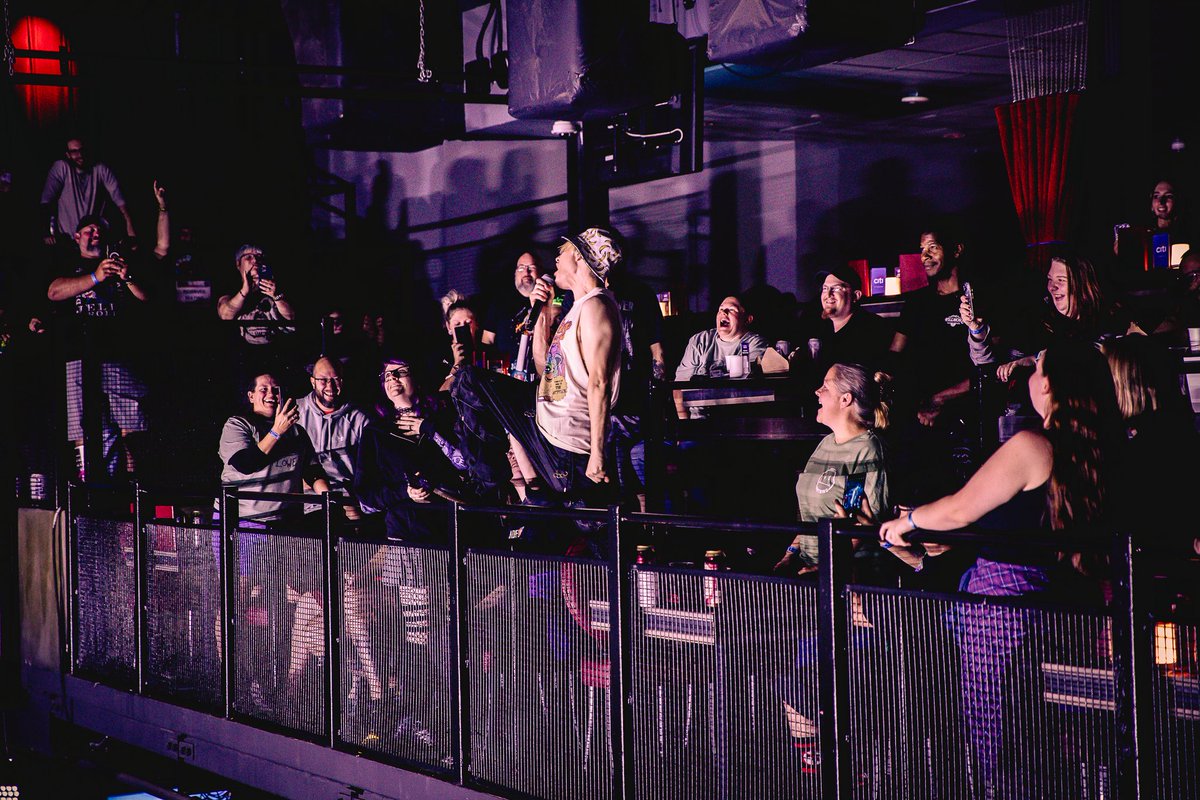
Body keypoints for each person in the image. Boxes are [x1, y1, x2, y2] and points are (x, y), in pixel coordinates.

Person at [880, 341, 1122, 797]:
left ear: (1048, 385)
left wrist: (905, 523)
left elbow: (958, 510)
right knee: (1058, 745)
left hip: (1006, 615)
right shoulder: (1102, 450)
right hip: (1070, 609)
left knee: (1005, 743)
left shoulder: (1032, 446)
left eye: (1037, 368)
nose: (1029, 374)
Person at [450, 227, 624, 509]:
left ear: (580, 259)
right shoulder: (576, 308)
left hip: (570, 444)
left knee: (593, 533)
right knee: (468, 381)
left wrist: (598, 453)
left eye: (563, 251)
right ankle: (488, 482)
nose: (556, 256)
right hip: (544, 423)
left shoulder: (597, 306)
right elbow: (545, 368)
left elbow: (600, 382)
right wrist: (542, 311)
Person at [47, 190, 167, 477]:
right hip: (77, 357)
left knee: (131, 426)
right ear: (76, 236)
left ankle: (134, 488)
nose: (94, 234)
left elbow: (146, 295)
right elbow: (54, 292)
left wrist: (126, 277)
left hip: (116, 356)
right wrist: (94, 277)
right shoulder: (66, 262)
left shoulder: (121, 261)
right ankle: (88, 491)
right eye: (88, 230)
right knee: (83, 429)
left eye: (99, 230)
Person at [776, 363, 893, 573]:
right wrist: (789, 555)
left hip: (848, 575)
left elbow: (863, 523)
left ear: (845, 399)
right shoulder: (825, 444)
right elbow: (808, 514)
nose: (817, 391)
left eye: (825, 387)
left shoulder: (867, 449)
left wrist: (827, 568)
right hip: (810, 569)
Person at [963, 250, 1135, 382]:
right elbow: (988, 367)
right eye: (1050, 279)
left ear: (1083, 286)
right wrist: (977, 331)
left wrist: (1036, 359)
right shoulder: (1039, 321)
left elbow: (1096, 356)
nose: (1052, 287)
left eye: (1061, 280)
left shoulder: (1111, 321)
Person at [889, 226, 975, 427]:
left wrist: (940, 399)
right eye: (922, 249)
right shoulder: (916, 302)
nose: (924, 256)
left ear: (956, 250)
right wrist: (885, 376)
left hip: (964, 414)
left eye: (933, 247)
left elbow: (990, 369)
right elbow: (895, 352)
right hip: (917, 413)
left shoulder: (976, 300)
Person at [295, 356, 371, 519]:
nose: (330, 386)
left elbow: (369, 470)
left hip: (347, 504)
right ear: (312, 382)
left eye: (335, 379)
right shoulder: (295, 413)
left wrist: (357, 503)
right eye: (323, 380)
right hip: (306, 503)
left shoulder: (359, 419)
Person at [40, 136, 137, 246]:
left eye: (82, 150)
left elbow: (122, 206)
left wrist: (132, 237)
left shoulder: (100, 169)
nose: (80, 155)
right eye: (74, 152)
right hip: (69, 241)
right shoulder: (61, 167)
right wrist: (46, 233)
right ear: (68, 155)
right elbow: (45, 203)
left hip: (94, 241)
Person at [807, 266, 891, 376]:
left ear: (856, 296)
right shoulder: (818, 328)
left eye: (836, 288)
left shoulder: (873, 328)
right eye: (825, 289)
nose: (828, 295)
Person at [216, 244, 297, 347]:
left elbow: (291, 317)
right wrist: (244, 292)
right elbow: (225, 315)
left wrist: (276, 297)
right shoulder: (230, 288)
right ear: (238, 264)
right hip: (241, 355)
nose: (255, 261)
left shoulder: (276, 286)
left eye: (259, 257)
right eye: (248, 257)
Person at [674, 294, 769, 380]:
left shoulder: (755, 343)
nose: (724, 313)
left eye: (731, 309)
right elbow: (680, 385)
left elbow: (749, 384)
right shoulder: (699, 340)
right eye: (721, 309)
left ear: (747, 319)